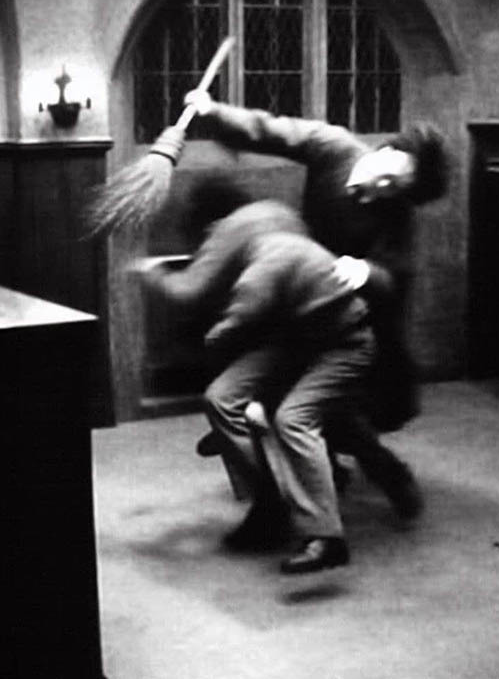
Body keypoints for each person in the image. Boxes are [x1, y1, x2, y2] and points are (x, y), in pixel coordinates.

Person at [183, 90, 450, 522]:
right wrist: (214, 113)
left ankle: (386, 472)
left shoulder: (395, 211)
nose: (381, 191)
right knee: (271, 378)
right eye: (386, 177)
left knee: (327, 405)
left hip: (351, 312)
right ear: (385, 150)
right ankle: (322, 468)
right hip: (300, 295)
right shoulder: (334, 146)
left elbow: (397, 272)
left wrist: (366, 270)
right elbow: (271, 130)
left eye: (395, 190)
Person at [134, 201, 376, 574]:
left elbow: (221, 323)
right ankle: (274, 498)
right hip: (294, 337)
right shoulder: (273, 223)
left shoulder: (255, 272)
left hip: (344, 342)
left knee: (293, 419)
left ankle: (326, 538)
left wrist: (154, 277)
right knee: (222, 398)